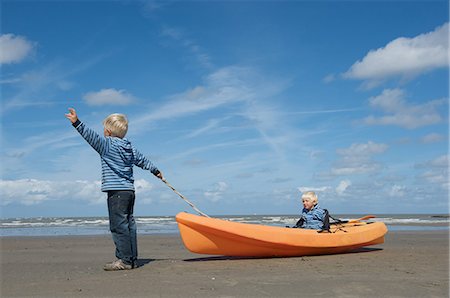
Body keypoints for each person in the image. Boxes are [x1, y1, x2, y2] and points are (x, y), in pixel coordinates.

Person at [65, 108, 163, 271]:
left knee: (118, 226)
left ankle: (124, 260)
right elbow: (143, 160)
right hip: (129, 192)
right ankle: (131, 259)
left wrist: (77, 123)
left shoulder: (106, 145)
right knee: (129, 224)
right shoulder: (129, 147)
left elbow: (90, 136)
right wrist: (155, 170)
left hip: (116, 192)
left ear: (108, 131)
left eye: (104, 128)